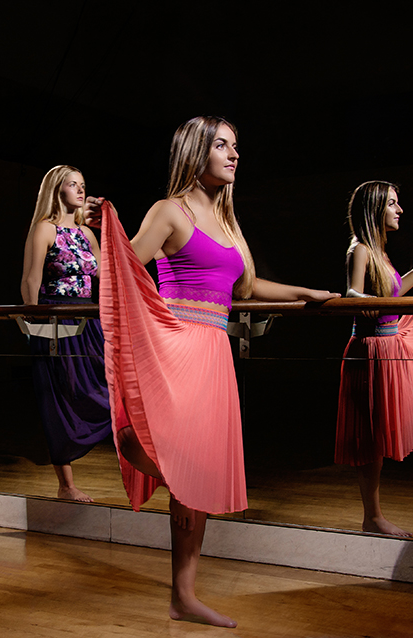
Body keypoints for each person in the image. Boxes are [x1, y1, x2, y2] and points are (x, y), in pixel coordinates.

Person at [89, 116, 339, 627]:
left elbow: (244, 290)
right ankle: (182, 490)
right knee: (145, 442)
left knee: (200, 463)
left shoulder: (227, 220)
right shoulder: (169, 211)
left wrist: (305, 293)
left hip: (214, 353)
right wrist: (99, 230)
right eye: (222, 145)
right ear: (194, 152)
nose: (234, 154)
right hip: (176, 342)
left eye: (236, 146)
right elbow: (121, 270)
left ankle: (185, 595)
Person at [335, 180, 413, 537]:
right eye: (392, 203)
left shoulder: (380, 252)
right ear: (376, 208)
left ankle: (374, 516)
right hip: (370, 351)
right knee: (370, 437)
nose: (399, 210)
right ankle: (373, 517)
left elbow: (388, 292)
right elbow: (354, 292)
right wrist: (358, 298)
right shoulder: (361, 248)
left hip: (385, 348)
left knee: (378, 434)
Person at [19, 165, 111, 502]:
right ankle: (66, 484)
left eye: (83, 184)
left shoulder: (87, 234)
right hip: (55, 320)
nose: (80, 190)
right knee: (60, 397)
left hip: (88, 319)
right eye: (72, 184)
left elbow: (107, 274)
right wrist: (36, 328)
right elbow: (30, 280)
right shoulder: (46, 229)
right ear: (57, 190)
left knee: (107, 388)